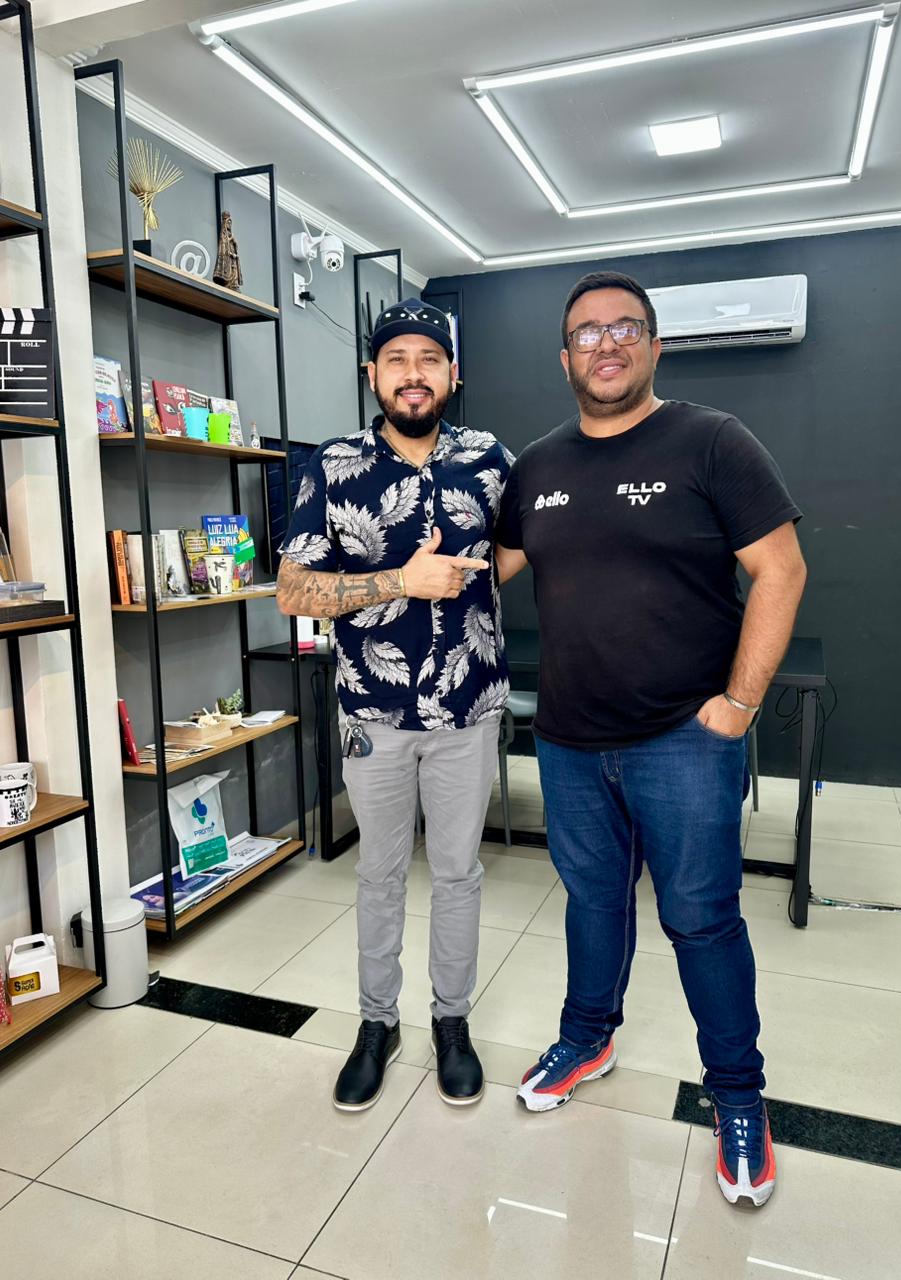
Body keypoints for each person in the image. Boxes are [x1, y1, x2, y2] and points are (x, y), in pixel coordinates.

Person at [495, 270, 806, 1207]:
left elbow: (781, 570)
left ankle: (738, 1096)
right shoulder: (537, 466)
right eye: (587, 332)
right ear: (564, 357)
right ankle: (588, 1038)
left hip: (684, 739)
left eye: (626, 327)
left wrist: (739, 706)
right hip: (567, 740)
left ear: (656, 346)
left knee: (701, 920)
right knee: (593, 903)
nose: (607, 344)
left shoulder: (712, 441)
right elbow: (483, 568)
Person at [277, 298, 511, 1112]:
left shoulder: (489, 459)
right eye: (398, 360)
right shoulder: (333, 463)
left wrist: (471, 582)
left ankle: (452, 1021)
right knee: (378, 875)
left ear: (453, 374)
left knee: (458, 874)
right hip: (373, 715)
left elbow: (515, 552)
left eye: (429, 359)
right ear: (371, 373)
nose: (414, 375)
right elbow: (293, 591)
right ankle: (377, 1024)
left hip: (469, 710)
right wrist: (401, 581)